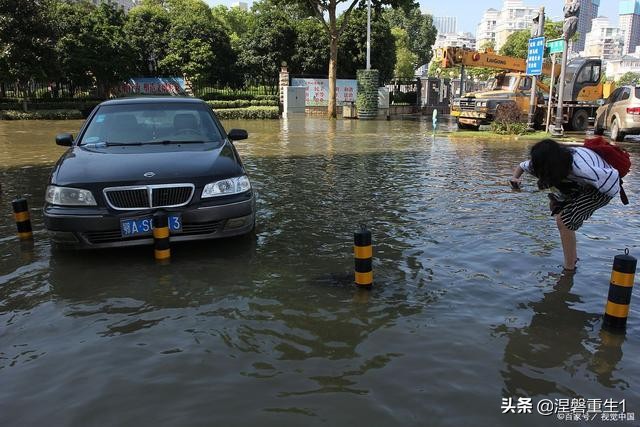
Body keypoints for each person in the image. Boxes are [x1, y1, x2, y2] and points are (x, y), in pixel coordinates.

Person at [510, 139, 620, 271]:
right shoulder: (539, 164)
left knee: (564, 220)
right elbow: (522, 166)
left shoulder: (582, 169)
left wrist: (580, 202)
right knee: (560, 215)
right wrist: (515, 178)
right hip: (577, 181)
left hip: (604, 188)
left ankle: (569, 269)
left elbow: (613, 183)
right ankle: (572, 258)